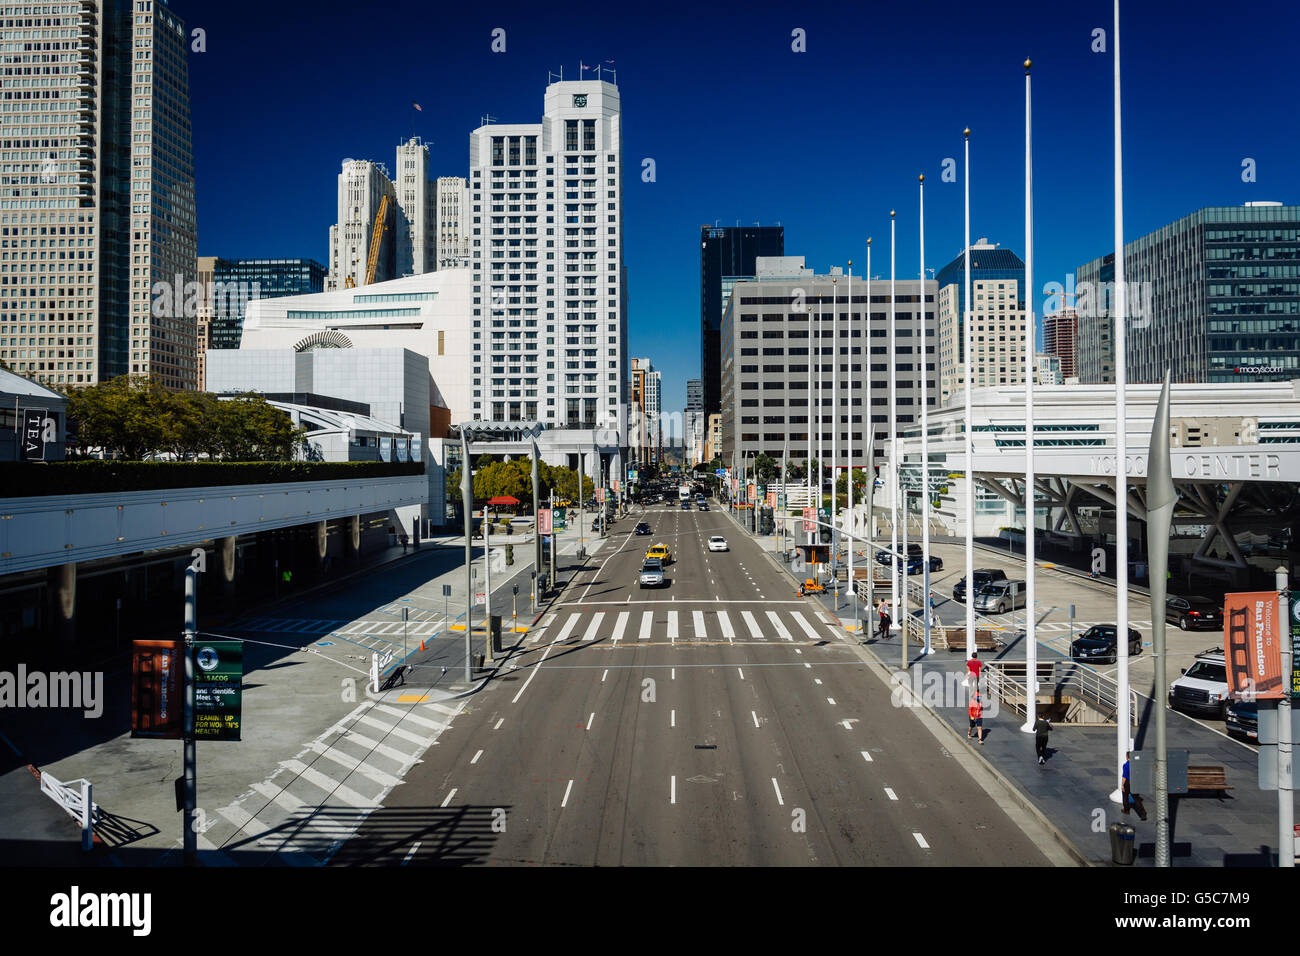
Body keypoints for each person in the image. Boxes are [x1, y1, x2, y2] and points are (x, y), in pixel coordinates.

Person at [1122, 752, 1148, 820]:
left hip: (1127, 782)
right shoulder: (1136, 765)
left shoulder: (1126, 765)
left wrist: (1122, 785)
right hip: (1135, 782)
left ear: (1127, 757)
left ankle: (1126, 810)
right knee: (1136, 798)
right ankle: (1143, 814)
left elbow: (1124, 776)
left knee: (1125, 796)